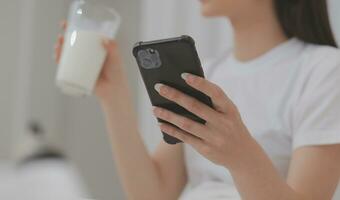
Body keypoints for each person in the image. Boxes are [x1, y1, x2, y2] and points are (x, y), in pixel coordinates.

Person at [55, 0, 340, 199]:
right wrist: (113, 96)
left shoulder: (324, 69)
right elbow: (152, 194)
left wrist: (241, 157)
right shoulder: (209, 72)